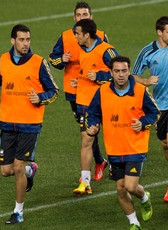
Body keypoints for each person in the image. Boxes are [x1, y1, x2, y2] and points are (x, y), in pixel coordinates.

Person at [0, 24, 58, 224]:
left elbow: (53, 91)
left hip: (29, 124)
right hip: (7, 123)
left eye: (28, 39)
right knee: (6, 171)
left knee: (17, 167)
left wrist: (41, 98)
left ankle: (18, 212)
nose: (26, 43)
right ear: (13, 41)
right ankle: (30, 170)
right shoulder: (2, 60)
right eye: (21, 40)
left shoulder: (39, 62)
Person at [87, 56, 159, 230]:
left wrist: (142, 123)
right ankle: (134, 223)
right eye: (117, 71)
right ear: (111, 73)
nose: (121, 75)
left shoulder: (140, 91)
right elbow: (93, 112)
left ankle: (144, 198)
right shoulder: (103, 91)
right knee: (120, 189)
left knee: (130, 186)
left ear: (129, 72)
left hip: (135, 147)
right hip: (114, 149)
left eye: (124, 71)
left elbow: (155, 113)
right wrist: (93, 125)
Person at [49, 1, 109, 182]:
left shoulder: (101, 37)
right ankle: (100, 162)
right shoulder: (67, 36)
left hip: (96, 90)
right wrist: (62, 59)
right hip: (74, 91)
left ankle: (105, 163)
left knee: (97, 127)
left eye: (85, 15)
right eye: (78, 15)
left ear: (90, 17)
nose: (81, 18)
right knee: (88, 130)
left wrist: (96, 77)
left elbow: (109, 64)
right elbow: (53, 59)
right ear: (74, 18)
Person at [132, 16, 168, 202]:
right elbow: (133, 75)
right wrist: (146, 81)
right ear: (159, 32)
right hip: (159, 106)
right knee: (166, 145)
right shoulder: (148, 52)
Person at [71, 19, 118, 195]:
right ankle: (85, 181)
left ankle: (116, 166)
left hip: (106, 102)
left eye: (77, 33)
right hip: (85, 103)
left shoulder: (107, 50)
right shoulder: (81, 49)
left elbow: (121, 73)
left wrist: (99, 75)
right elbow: (86, 71)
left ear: (87, 35)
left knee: (112, 137)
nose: (75, 35)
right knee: (86, 141)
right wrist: (81, 79)